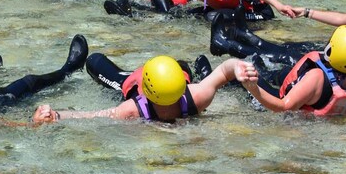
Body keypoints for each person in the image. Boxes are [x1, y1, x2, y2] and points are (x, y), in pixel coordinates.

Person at [33, 53, 252, 123]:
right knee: (94, 61)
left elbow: (93, 115)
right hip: (131, 81)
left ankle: (189, 65)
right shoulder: (132, 107)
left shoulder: (198, 95)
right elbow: (224, 70)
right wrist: (237, 66)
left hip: (169, 71)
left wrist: (56, 116)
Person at [239, 26, 346, 116]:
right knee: (284, 71)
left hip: (289, 104)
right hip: (314, 100)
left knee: (240, 72)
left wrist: (253, 89)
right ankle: (261, 66)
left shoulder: (316, 77)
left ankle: (254, 66)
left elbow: (283, 107)